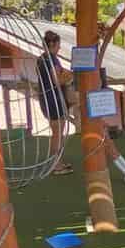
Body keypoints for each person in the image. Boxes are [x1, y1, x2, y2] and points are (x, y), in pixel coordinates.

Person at [35, 30, 74, 175]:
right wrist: (69, 78)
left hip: (48, 99)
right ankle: (56, 165)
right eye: (58, 45)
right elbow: (56, 80)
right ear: (55, 44)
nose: (59, 47)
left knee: (57, 132)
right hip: (53, 99)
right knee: (57, 133)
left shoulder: (41, 59)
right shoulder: (51, 59)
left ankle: (58, 162)